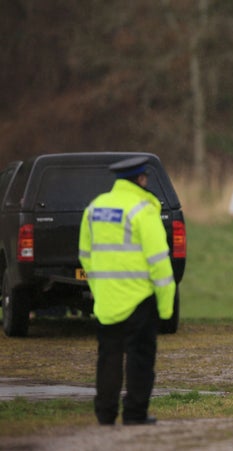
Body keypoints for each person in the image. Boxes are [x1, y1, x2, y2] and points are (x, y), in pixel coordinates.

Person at [78, 156, 176, 426]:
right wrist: (166, 308)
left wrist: (99, 287)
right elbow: (159, 262)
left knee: (108, 357)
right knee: (140, 358)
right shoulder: (142, 209)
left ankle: (105, 414)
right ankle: (134, 414)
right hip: (140, 299)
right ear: (141, 179)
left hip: (107, 299)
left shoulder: (94, 208)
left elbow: (85, 255)